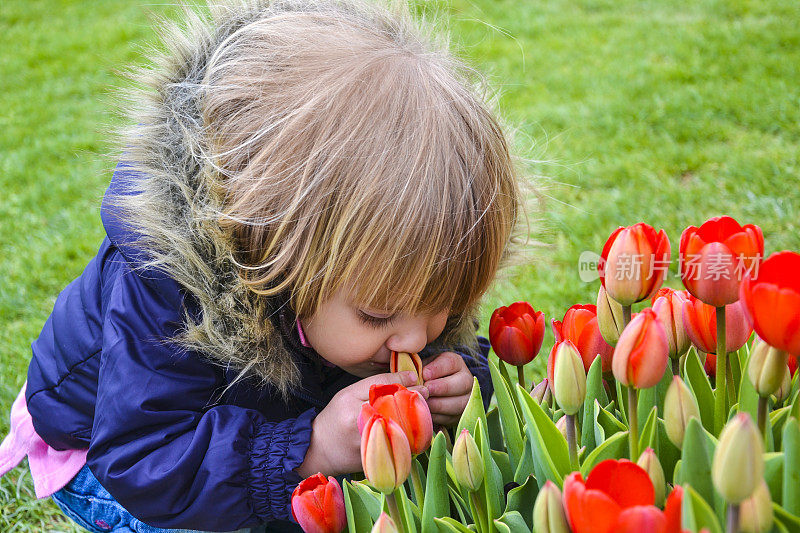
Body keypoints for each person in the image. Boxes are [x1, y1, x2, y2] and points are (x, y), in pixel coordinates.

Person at [0, 0, 529, 530]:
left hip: (238, 422)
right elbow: (143, 458)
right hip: (108, 455)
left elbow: (430, 341)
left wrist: (466, 381)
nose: (415, 341)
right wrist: (311, 450)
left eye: (443, 307)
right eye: (376, 314)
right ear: (273, 252)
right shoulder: (168, 287)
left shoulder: (387, 278)